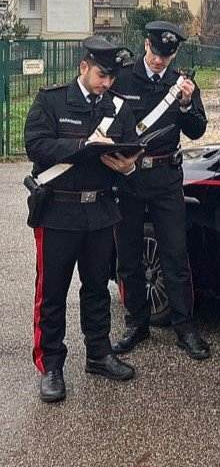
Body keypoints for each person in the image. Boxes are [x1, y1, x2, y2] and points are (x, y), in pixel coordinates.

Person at [24, 37, 141, 402]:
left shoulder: (118, 108)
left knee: (97, 289)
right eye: (102, 75)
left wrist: (128, 166)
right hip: (58, 210)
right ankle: (51, 365)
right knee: (52, 292)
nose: (107, 83)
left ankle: (98, 353)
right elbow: (36, 144)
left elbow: (130, 148)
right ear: (84, 67)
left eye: (112, 77)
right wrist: (81, 147)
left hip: (100, 210)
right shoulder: (52, 101)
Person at [111, 20, 210, 360]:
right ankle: (136, 323)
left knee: (175, 253)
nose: (158, 61)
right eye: (155, 53)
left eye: (165, 56)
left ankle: (184, 327)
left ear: (174, 54)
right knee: (128, 255)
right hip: (129, 177)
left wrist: (185, 104)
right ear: (146, 45)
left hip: (166, 177)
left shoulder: (181, 84)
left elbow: (197, 130)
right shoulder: (123, 78)